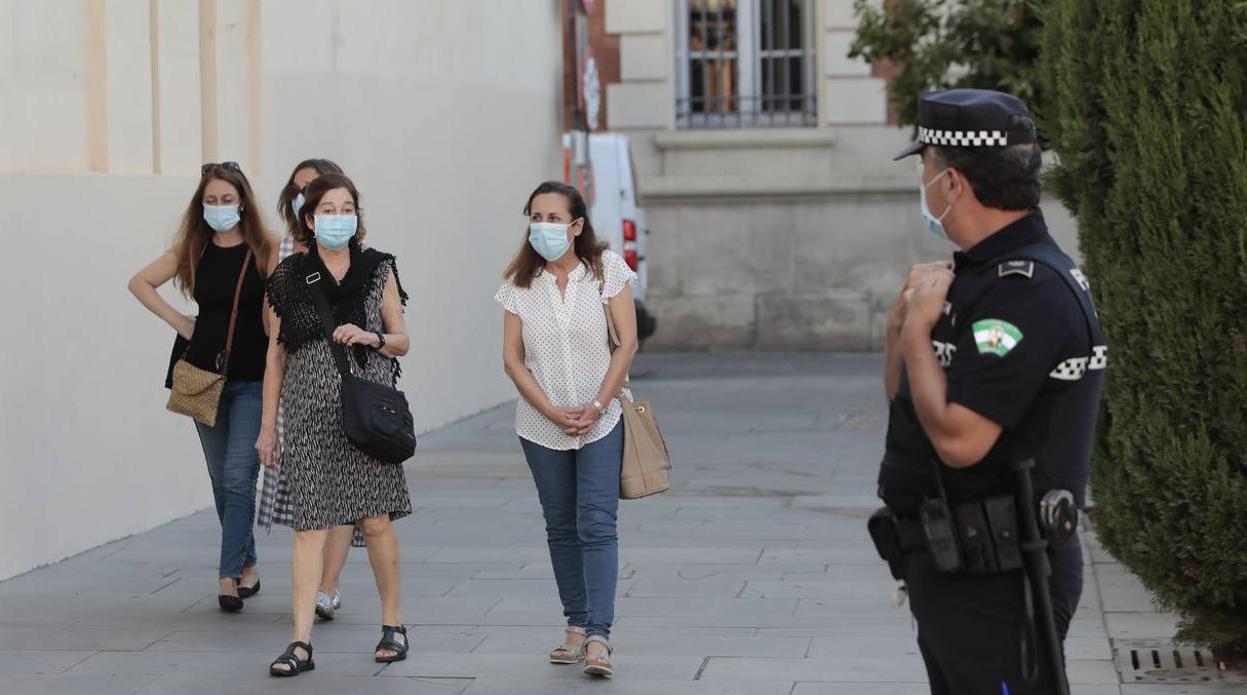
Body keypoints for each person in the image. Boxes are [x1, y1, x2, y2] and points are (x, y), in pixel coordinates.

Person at [873, 89, 1107, 695]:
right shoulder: (973, 276)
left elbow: (959, 439)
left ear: (951, 184)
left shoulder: (1027, 290)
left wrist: (920, 330)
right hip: (954, 566)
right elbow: (905, 396)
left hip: (1002, 578)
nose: (921, 181)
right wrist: (901, 324)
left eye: (924, 166)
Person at [258, 172, 413, 676]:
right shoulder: (288, 276)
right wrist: (268, 427)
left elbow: (402, 340)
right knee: (310, 526)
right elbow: (275, 358)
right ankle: (300, 642)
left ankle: (393, 624)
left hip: (366, 412)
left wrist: (370, 337)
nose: (338, 217)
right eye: (328, 209)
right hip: (307, 414)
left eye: (346, 208)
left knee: (374, 518)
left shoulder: (378, 268)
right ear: (309, 218)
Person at [495, 181, 639, 678]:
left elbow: (627, 344)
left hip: (602, 420)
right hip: (540, 425)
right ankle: (575, 623)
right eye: (537, 216)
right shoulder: (519, 285)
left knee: (596, 523)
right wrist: (552, 410)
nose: (544, 226)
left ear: (577, 226)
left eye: (555, 218)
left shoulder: (606, 271)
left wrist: (598, 404)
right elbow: (513, 360)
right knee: (561, 527)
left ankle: (599, 635)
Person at [128, 162, 274, 612]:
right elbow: (140, 283)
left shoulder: (264, 250)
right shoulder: (194, 248)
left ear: (242, 201)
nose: (218, 207)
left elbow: (278, 312)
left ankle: (228, 575)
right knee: (220, 478)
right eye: (210, 200)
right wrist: (181, 322)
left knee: (238, 476)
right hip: (201, 376)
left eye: (226, 200)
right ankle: (246, 561)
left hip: (252, 379)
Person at [260, 157, 362, 622]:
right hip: (300, 389)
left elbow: (389, 331)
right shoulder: (283, 255)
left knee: (345, 495)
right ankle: (303, 621)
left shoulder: (367, 260)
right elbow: (272, 334)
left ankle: (328, 584)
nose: (311, 198)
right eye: (303, 191)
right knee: (310, 497)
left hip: (351, 391)